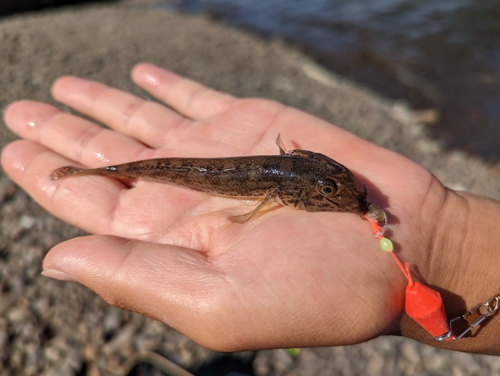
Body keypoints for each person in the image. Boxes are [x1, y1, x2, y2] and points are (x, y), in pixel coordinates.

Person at [2, 64, 500, 355]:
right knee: (163, 167)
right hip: (242, 170)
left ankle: (93, 172)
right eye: (332, 192)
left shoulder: (314, 180)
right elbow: (290, 184)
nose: (348, 197)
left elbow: (310, 174)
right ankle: (90, 172)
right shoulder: (288, 188)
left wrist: (442, 239)